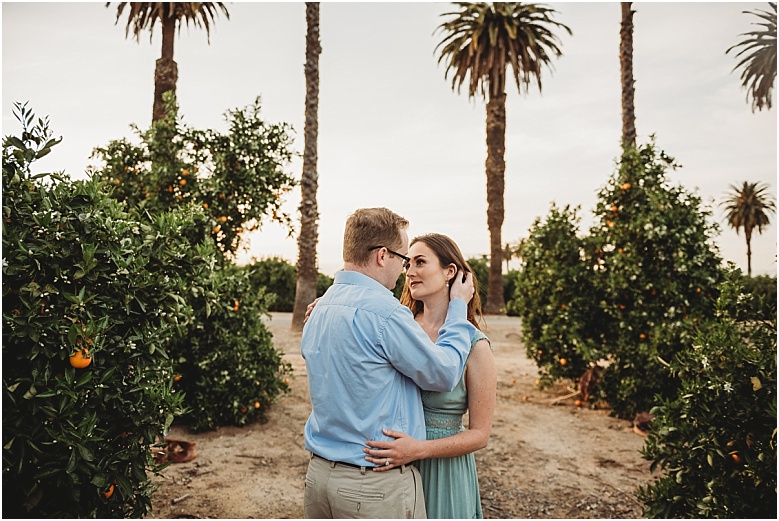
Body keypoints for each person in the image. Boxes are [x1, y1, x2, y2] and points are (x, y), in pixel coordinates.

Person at [301, 208, 476, 519]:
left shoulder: (320, 307)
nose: (405, 270)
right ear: (383, 256)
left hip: (318, 478)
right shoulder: (386, 313)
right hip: (370, 487)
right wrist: (458, 308)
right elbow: (445, 372)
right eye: (403, 259)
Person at [361, 233, 496, 519]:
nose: (409, 271)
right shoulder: (398, 327)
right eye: (408, 263)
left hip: (442, 473)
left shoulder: (475, 345)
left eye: (420, 262)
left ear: (450, 272)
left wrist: (419, 449)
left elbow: (480, 435)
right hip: (391, 467)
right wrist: (323, 306)